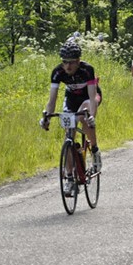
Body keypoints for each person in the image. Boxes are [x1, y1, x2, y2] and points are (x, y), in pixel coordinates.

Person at [39, 41, 102, 196]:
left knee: (84, 115)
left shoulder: (87, 70)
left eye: (71, 63)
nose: (67, 66)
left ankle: (95, 150)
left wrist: (92, 116)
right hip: (71, 99)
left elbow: (93, 96)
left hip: (89, 97)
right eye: (65, 62)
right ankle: (70, 179)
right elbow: (52, 100)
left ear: (78, 61)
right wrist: (47, 116)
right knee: (69, 135)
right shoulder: (57, 72)